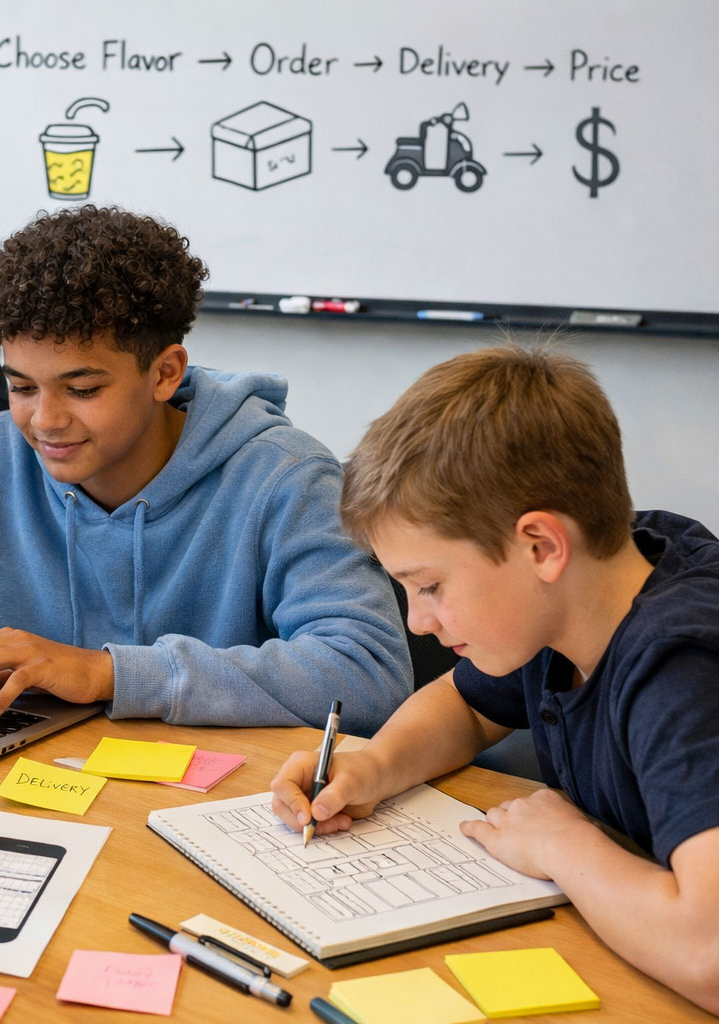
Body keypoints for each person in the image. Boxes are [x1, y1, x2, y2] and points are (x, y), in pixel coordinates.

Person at [0, 206, 411, 734]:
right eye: (20, 387)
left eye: (82, 389)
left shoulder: (286, 477)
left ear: (164, 373)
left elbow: (368, 674)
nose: (45, 421)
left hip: (220, 798)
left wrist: (110, 673)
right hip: (49, 782)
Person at [269, 345, 719, 1012]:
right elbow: (466, 706)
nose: (418, 622)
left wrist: (566, 848)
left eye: (429, 587)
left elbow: (708, 956)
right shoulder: (572, 602)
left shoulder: (682, 671)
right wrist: (374, 766)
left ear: (541, 546)